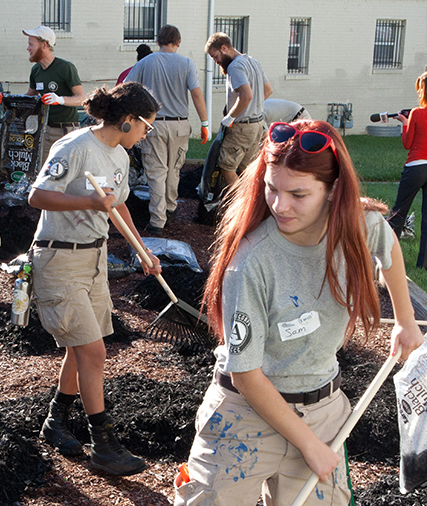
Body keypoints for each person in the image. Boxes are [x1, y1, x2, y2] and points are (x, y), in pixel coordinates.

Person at [174, 119, 425, 505]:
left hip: (322, 409)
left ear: (333, 190)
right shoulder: (252, 262)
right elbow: (245, 375)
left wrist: (406, 322)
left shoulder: (358, 224)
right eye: (271, 189)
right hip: (244, 416)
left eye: (298, 194)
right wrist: (309, 445)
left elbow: (387, 243)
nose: (280, 205)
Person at [29, 82, 162, 476]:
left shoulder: (119, 156)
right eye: (145, 127)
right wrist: (89, 201)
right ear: (127, 120)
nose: (145, 135)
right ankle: (103, 444)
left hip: (94, 258)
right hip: (58, 258)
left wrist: (143, 249)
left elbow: (117, 205)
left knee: (81, 347)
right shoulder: (73, 148)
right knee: (94, 353)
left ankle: (55, 421)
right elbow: (37, 196)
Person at [126, 25, 209, 235]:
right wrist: (205, 123)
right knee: (174, 170)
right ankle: (171, 209)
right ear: (178, 42)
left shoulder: (146, 62)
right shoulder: (187, 63)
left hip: (153, 124)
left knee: (156, 173)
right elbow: (197, 95)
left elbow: (127, 88)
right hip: (180, 124)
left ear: (158, 41)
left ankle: (157, 221)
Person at [0, 26, 86, 166]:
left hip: (66, 130)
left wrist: (60, 100)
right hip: (44, 130)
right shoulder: (36, 70)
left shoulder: (65, 68)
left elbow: (82, 98)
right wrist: (8, 100)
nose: (28, 48)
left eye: (31, 44)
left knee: (67, 170)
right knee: (45, 171)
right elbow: (30, 96)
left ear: (44, 45)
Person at [205, 32, 272, 188]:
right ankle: (251, 203)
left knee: (227, 167)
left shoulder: (235, 66)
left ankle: (239, 204)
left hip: (242, 128)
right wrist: (253, 107)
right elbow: (267, 90)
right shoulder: (253, 62)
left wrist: (230, 117)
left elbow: (246, 95)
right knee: (246, 169)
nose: (215, 61)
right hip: (257, 125)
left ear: (224, 48)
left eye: (215, 56)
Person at [387, 71, 427, 268]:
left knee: (399, 211)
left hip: (416, 166)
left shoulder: (417, 113)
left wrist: (405, 123)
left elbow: (407, 143)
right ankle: (424, 264)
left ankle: (387, 255)